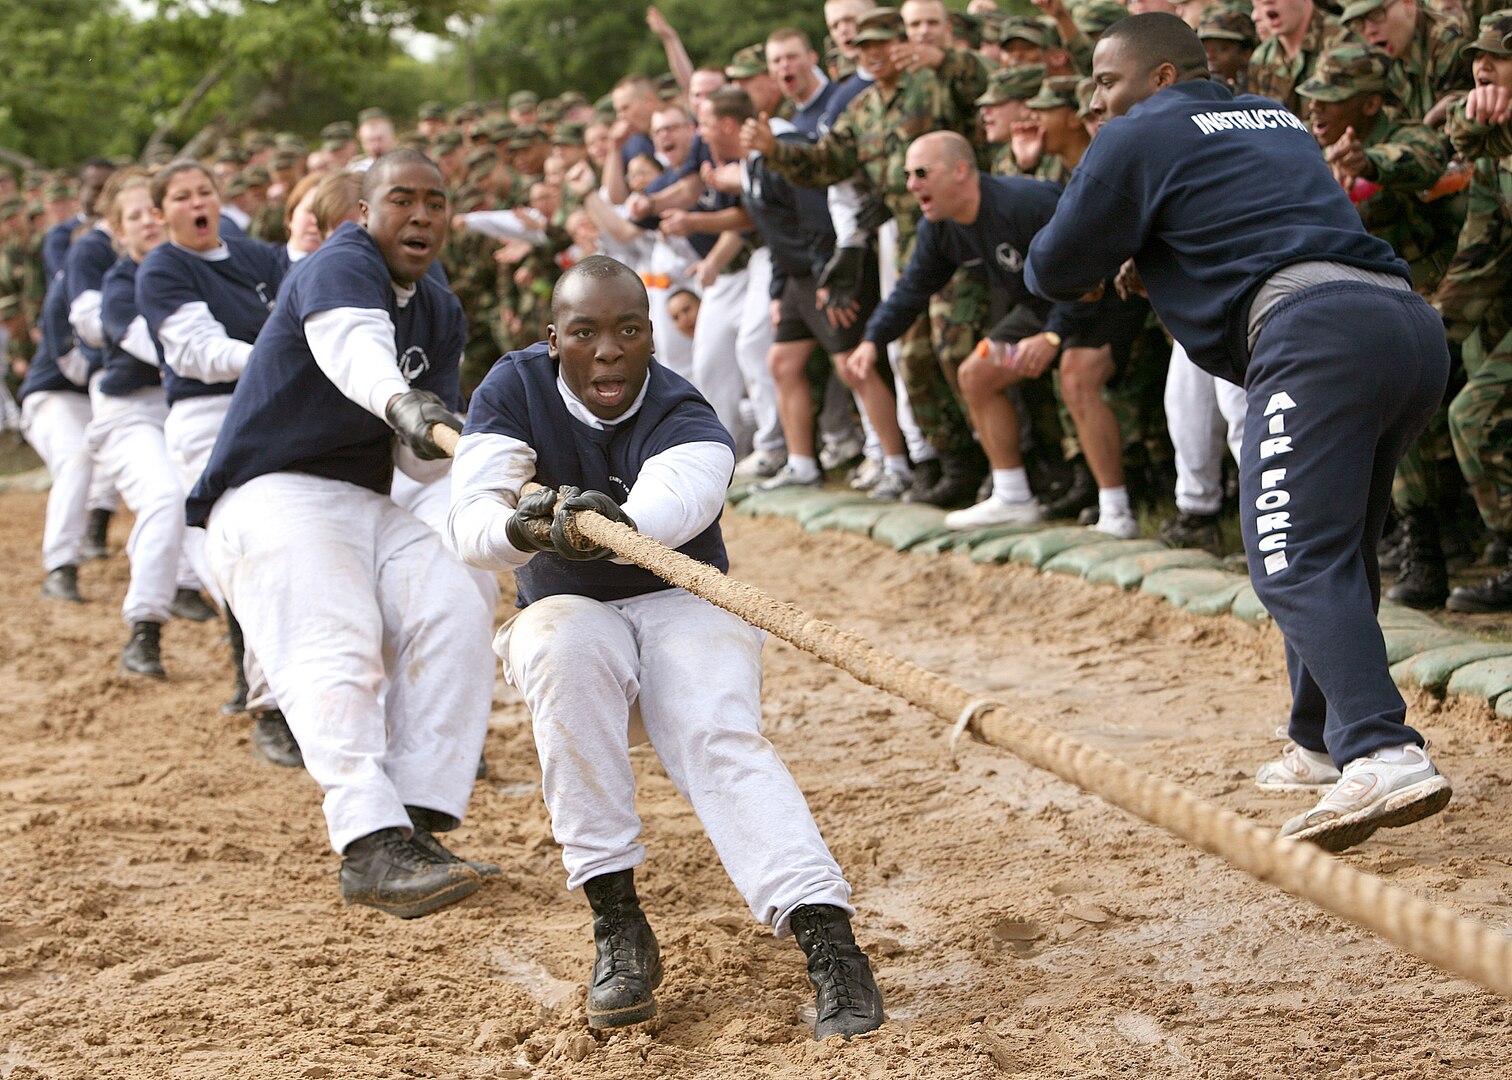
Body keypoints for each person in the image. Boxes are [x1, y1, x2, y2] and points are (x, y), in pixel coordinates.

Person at [1024, 12, 1452, 851]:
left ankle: (1384, 749)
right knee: (1335, 546)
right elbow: (1233, 215)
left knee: (1290, 555)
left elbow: (1054, 267)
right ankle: (1318, 741)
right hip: (1403, 324)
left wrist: (1118, 242)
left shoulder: (1135, 130)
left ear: (1159, 77)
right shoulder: (1273, 115)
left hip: (1313, 335)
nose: (1095, 100)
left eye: (1107, 82)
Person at [447, 254, 884, 1040]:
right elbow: (470, 523)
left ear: (651, 338)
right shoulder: (510, 390)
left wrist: (605, 525)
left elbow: (670, 509)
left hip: (683, 598)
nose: (607, 351)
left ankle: (831, 943)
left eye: (626, 331)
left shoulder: (687, 414)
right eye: (585, 333)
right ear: (554, 340)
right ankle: (618, 923)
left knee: (721, 736)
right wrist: (518, 526)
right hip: (568, 608)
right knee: (556, 652)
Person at [188, 150, 496, 919]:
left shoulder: (440, 309)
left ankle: (414, 821)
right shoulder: (340, 261)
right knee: (339, 642)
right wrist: (405, 404)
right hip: (269, 494)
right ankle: (367, 843)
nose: (422, 215)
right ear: (364, 210)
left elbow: (414, 464)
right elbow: (352, 347)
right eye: (402, 198)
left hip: (362, 500)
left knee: (460, 593)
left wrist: (436, 439)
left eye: (437, 202)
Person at [135, 160, 295, 761]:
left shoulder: (258, 256)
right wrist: (274, 356)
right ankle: (268, 705)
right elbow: (197, 352)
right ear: (162, 213)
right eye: (180, 196)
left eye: (204, 190)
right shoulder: (163, 268)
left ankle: (266, 686)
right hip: (210, 419)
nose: (196, 202)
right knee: (250, 551)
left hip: (277, 405)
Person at [89, 169, 217, 678]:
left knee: (214, 518)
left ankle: (247, 643)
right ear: (118, 231)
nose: (147, 221)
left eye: (152, 210)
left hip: (184, 412)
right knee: (167, 498)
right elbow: (158, 345)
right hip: (130, 413)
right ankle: (144, 631)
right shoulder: (120, 284)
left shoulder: (197, 268)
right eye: (133, 216)